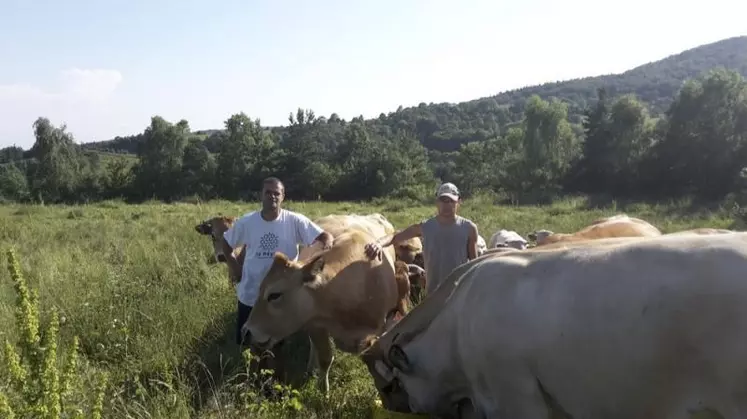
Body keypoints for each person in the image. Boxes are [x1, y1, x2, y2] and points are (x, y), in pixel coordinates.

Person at [221, 177, 334, 348]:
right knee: (247, 343)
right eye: (268, 192)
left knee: (275, 346)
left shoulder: (295, 221)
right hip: (250, 293)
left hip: (279, 298)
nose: (272, 196)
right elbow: (226, 243)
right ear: (261, 195)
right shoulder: (247, 222)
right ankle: (250, 373)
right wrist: (235, 267)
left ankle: (274, 373)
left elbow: (325, 237)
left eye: (276, 193)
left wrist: (319, 252)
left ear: (283, 196)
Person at [364, 182, 479, 296]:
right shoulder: (426, 227)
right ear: (437, 202)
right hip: (433, 293)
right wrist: (378, 244)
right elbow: (395, 236)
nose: (446, 205)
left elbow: (475, 263)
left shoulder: (469, 228)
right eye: (443, 200)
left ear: (459, 202)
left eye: (451, 201)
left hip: (459, 293)